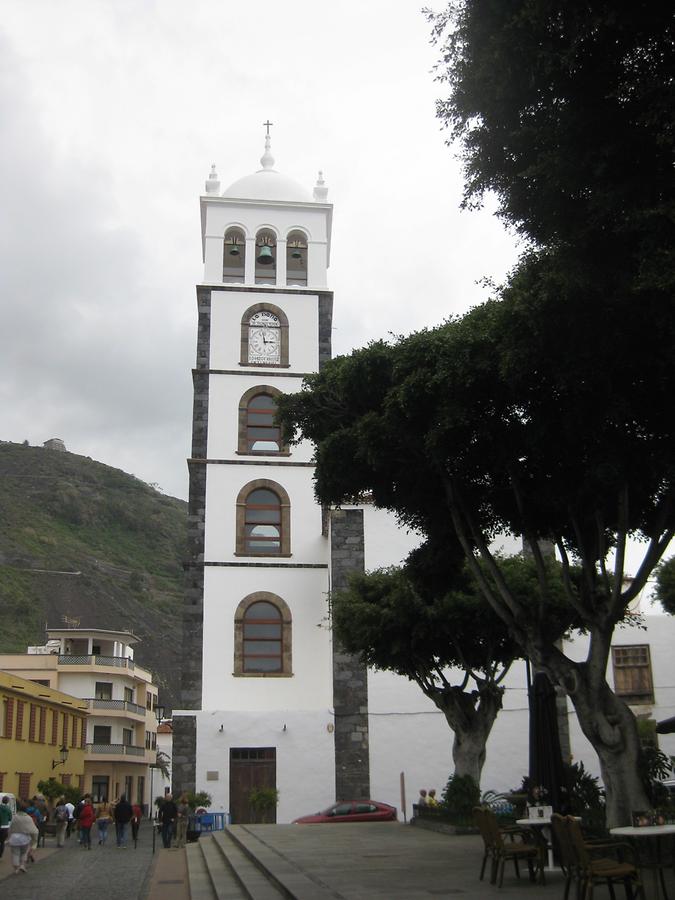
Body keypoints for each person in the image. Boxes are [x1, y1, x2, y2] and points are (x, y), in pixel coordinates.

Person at [7, 803, 39, 874]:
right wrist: (34, 841)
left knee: (15, 853)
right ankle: (22, 865)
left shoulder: (14, 817)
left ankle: (16, 868)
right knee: (24, 853)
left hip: (14, 838)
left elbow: (10, 828)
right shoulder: (28, 818)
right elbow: (34, 830)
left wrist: (8, 837)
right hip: (25, 838)